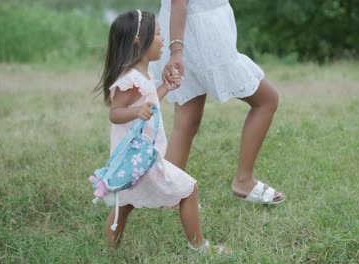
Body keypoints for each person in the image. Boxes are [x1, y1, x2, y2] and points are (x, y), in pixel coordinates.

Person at [94, 10, 226, 253]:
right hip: (142, 158)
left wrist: (166, 86)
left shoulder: (143, 74)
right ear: (139, 41)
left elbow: (149, 99)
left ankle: (109, 252)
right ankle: (200, 247)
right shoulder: (129, 79)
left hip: (141, 158)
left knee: (123, 205)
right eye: (157, 33)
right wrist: (135, 112)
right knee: (189, 189)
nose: (163, 38)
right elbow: (115, 113)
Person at [150, 0, 285, 204]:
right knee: (267, 100)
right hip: (199, 36)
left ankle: (168, 193)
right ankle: (243, 180)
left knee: (186, 122)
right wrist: (177, 51)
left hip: (189, 30)